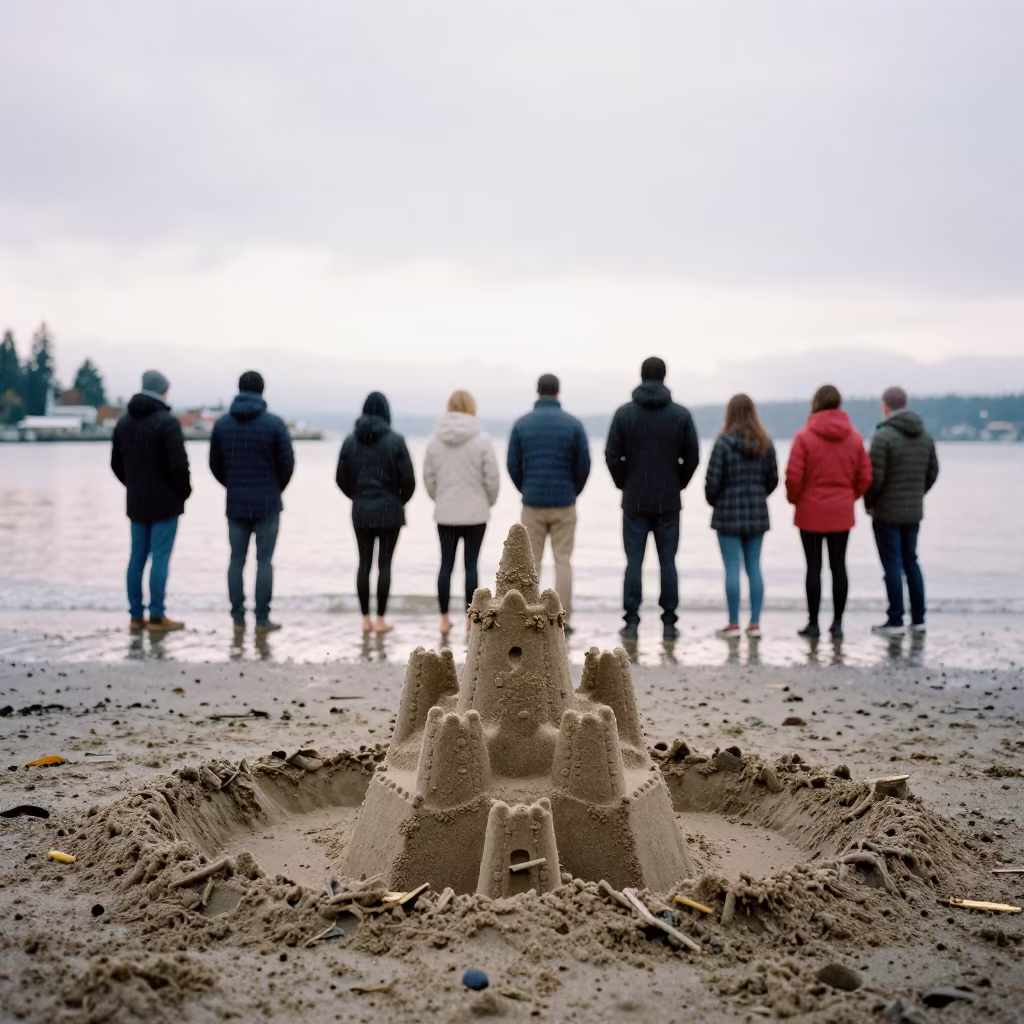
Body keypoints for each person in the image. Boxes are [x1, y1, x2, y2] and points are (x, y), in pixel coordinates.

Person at [605, 357, 700, 641]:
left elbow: (612, 456)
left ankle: (632, 621)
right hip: (668, 500)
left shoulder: (624, 414)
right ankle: (669, 622)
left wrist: (624, 482)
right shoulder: (680, 415)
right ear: (664, 376)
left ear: (641, 375)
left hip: (634, 498)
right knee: (668, 562)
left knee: (633, 562)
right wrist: (678, 483)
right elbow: (692, 458)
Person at [209, 370, 295, 635]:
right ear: (262, 390)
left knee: (236, 561)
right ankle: (262, 619)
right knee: (264, 561)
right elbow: (287, 464)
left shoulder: (222, 425)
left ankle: (237, 618)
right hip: (267, 502)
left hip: (236, 502)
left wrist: (233, 484)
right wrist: (274, 487)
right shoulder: (274, 424)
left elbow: (215, 464)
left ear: (239, 388)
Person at [785, 384, 872, 641]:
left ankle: (813, 623)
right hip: (841, 511)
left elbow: (793, 476)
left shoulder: (804, 436)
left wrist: (796, 500)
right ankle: (837, 623)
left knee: (813, 567)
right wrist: (849, 496)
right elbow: (865, 476)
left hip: (810, 511)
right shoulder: (854, 438)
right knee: (838, 566)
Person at [507, 374, 590, 631]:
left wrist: (526, 488)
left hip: (533, 502)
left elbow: (512, 464)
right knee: (562, 560)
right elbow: (583, 464)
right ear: (558, 392)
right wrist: (572, 490)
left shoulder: (522, 425)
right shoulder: (573, 425)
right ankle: (561, 617)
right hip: (564, 501)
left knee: (531, 563)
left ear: (538, 391)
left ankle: (529, 615)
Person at [111, 369, 191, 632]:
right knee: (160, 558)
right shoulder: (167, 422)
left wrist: (133, 484)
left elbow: (115, 464)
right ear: (161, 391)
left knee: (136, 558)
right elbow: (179, 465)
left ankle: (136, 616)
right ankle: (157, 615)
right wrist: (184, 492)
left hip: (136, 501)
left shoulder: (124, 422)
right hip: (166, 502)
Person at [336, 392, 415, 634]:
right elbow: (409, 480)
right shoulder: (396, 441)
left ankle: (365, 620)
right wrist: (397, 500)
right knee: (385, 566)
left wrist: (358, 496)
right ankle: (380, 620)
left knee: (363, 564)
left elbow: (340, 478)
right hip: (390, 512)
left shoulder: (350, 441)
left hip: (361, 511)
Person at [423, 390, 500, 636]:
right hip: (475, 513)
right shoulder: (482, 440)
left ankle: (444, 619)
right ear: (472, 408)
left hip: (445, 512)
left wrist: (440, 498)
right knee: (471, 566)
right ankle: (470, 621)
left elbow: (428, 478)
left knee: (445, 564)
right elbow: (492, 478)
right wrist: (487, 501)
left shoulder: (435, 441)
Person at [864, 386, 939, 637]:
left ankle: (895, 619)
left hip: (886, 511)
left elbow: (875, 479)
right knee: (911, 561)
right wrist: (917, 493)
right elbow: (933, 472)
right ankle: (919, 619)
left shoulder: (883, 436)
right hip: (912, 510)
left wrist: (869, 502)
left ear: (885, 406)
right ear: (905, 404)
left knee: (892, 565)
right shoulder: (925, 436)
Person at [704, 394, 778, 640]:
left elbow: (712, 481)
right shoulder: (764, 443)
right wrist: (758, 494)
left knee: (732, 567)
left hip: (728, 511)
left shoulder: (723, 443)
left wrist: (716, 500)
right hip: (756, 511)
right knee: (754, 567)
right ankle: (755, 624)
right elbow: (773, 479)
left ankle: (733, 623)